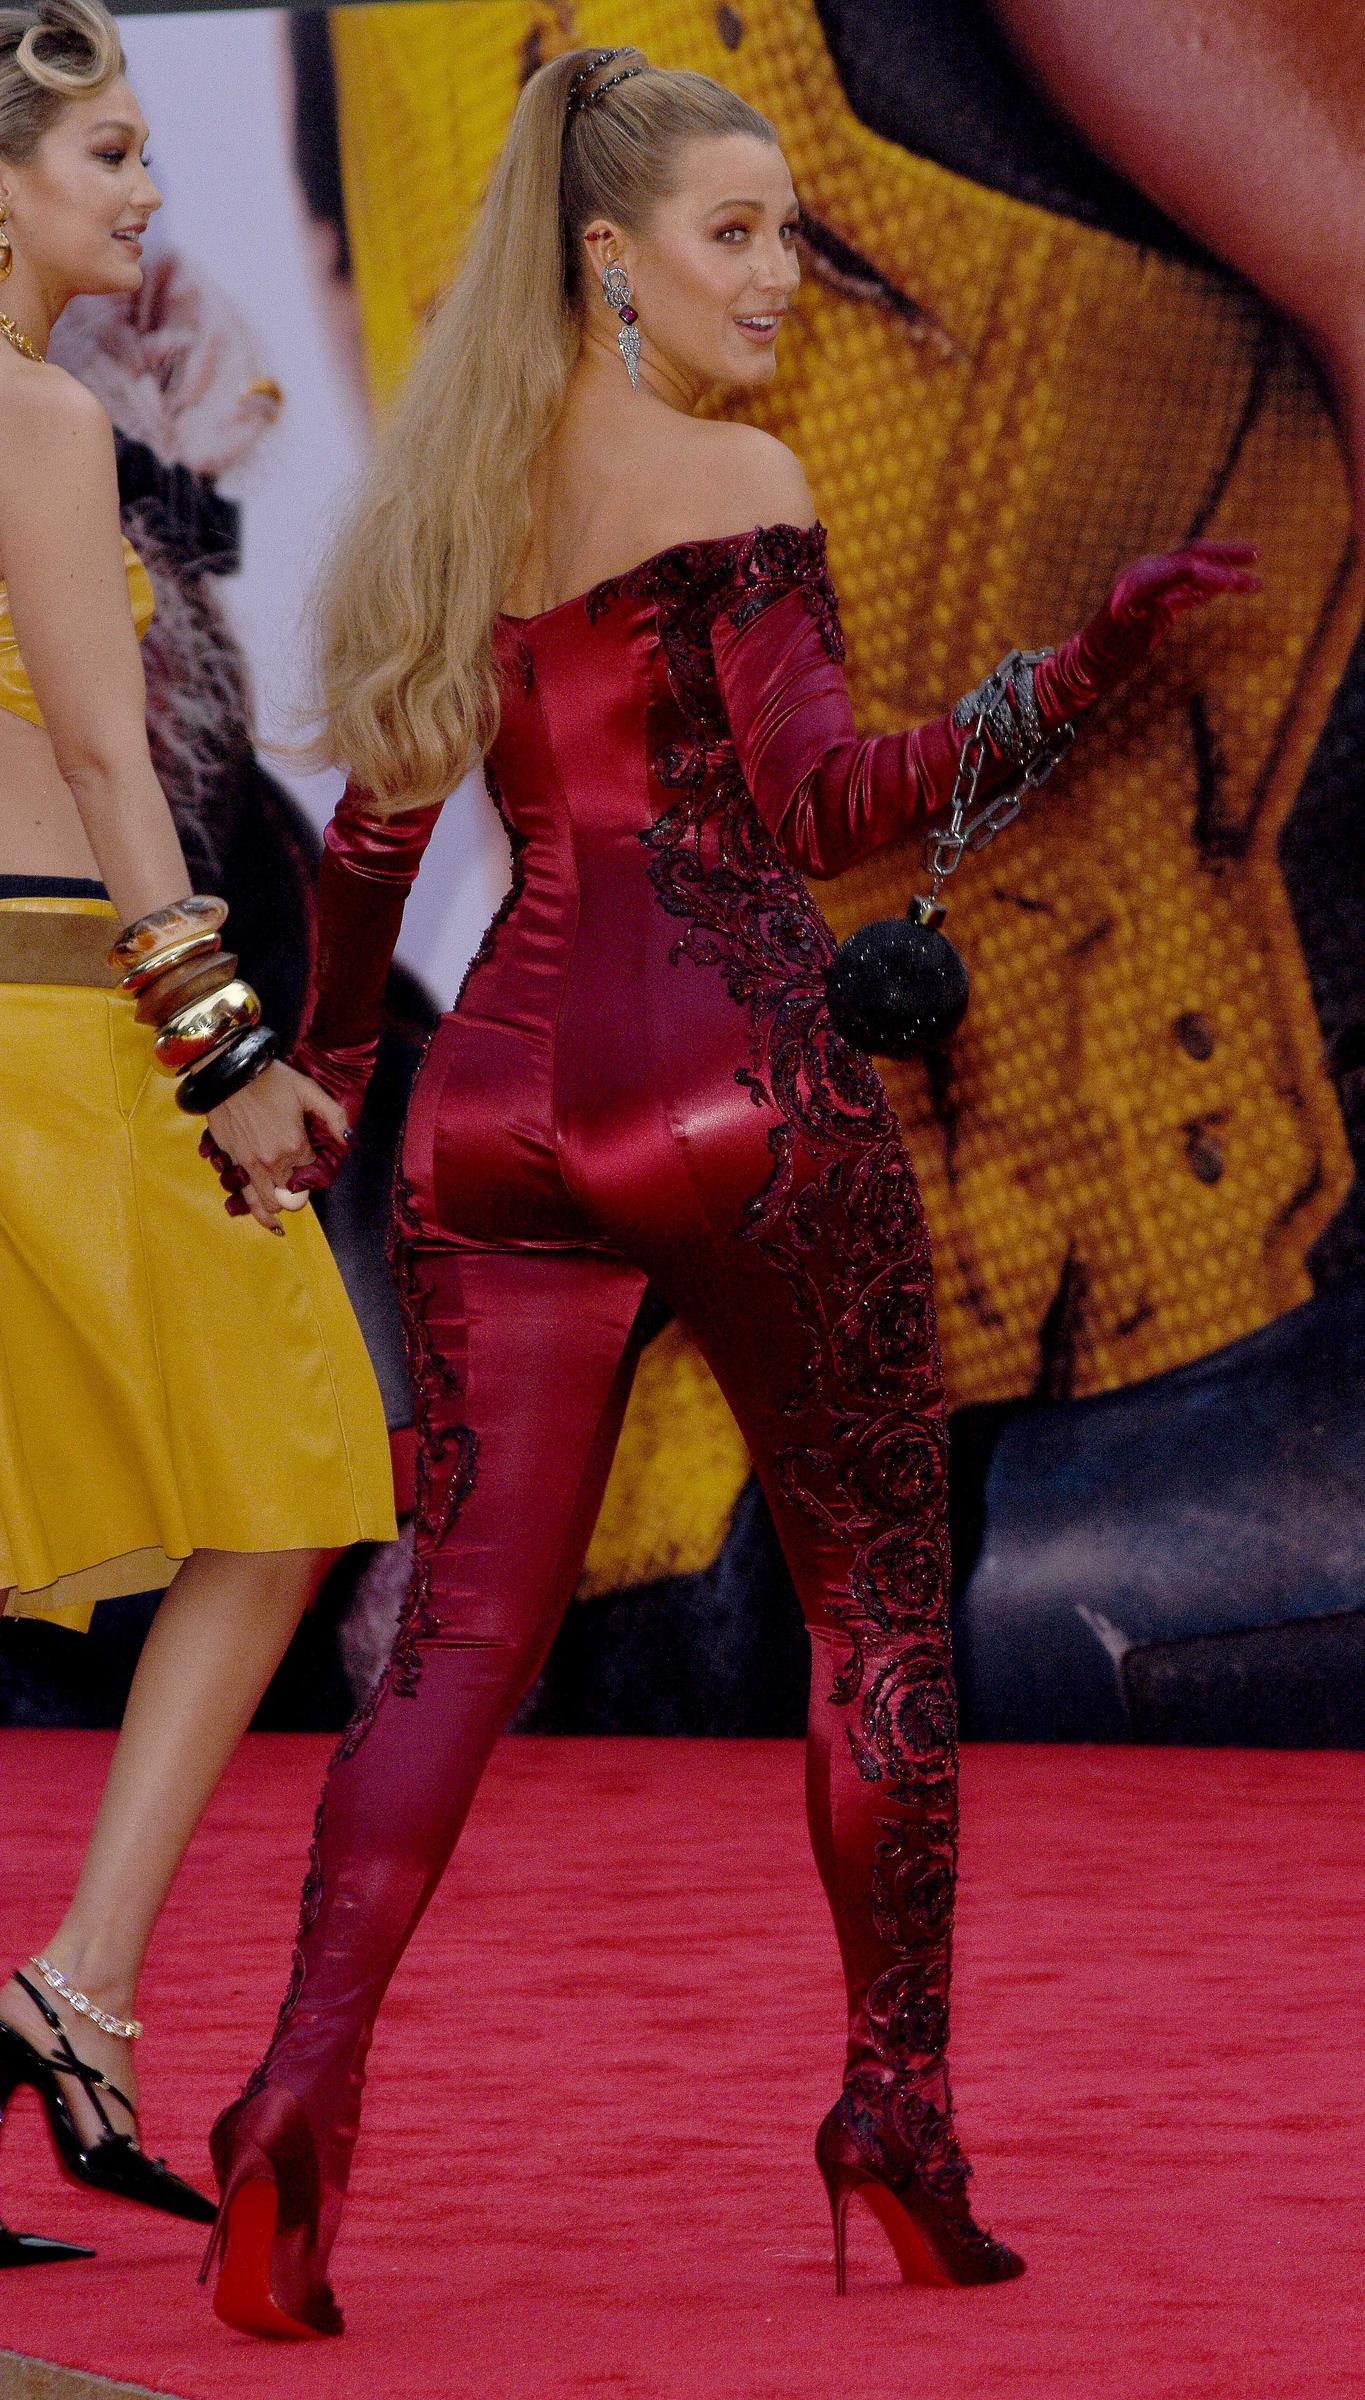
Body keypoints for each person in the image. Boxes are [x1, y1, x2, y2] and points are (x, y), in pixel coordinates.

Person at [201, 45, 1257, 2336]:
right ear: (612, 254)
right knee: (876, 1612)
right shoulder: (737, 474)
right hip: (741, 1084)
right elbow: (834, 800)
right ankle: (892, 2117)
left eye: (790, 230)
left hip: (496, 1100)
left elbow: (381, 849)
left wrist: (337, 1078)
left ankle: (294, 2089)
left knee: (454, 1651)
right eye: (736, 236)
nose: (780, 278)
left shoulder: (456, 490)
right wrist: (1081, 667)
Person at [0, 0, 395, 2267]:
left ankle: (77, 1995)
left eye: (156, 153)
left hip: (51, 1024)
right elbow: (132, 770)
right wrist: (229, 1051)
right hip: (67, 1036)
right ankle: (84, 1990)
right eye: (115, 156)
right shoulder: (42, 419)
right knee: (301, 1465)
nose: (150, 196)